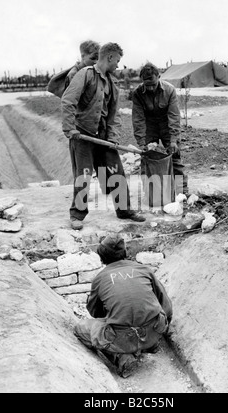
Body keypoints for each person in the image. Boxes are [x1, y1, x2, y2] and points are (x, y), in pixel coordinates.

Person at [61, 43, 146, 230]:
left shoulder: (112, 84)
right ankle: (77, 215)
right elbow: (68, 100)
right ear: (109, 57)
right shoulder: (85, 75)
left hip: (103, 138)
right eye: (117, 60)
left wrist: (113, 137)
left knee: (117, 173)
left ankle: (124, 210)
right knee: (83, 176)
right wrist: (69, 128)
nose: (118, 65)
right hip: (82, 135)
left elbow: (114, 115)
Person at [74, 234, 173, 378]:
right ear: (126, 253)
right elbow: (165, 303)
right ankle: (150, 345)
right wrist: (162, 330)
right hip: (154, 331)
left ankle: (121, 357)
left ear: (101, 257)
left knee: (80, 328)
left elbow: (95, 312)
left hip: (121, 339)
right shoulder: (144, 270)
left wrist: (114, 313)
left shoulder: (100, 279)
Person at [132, 62, 188, 196]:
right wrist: (141, 143)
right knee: (147, 158)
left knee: (175, 157)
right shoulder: (138, 93)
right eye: (147, 85)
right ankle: (151, 193)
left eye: (153, 84)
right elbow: (138, 119)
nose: (150, 88)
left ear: (159, 76)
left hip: (166, 125)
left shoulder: (169, 90)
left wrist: (174, 140)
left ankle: (181, 192)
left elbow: (174, 116)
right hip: (149, 126)